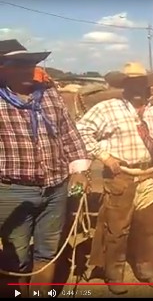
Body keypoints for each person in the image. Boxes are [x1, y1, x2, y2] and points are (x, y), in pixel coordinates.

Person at [0, 39, 91, 297]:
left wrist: (80, 170)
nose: (27, 70)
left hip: (55, 189)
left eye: (30, 64)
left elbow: (69, 134)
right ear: (3, 68)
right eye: (18, 65)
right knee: (13, 255)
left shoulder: (49, 95)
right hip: (12, 190)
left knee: (47, 252)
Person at [76, 62, 153, 295]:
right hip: (121, 175)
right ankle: (114, 274)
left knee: (150, 227)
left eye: (142, 83)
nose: (138, 88)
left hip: (149, 175)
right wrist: (104, 156)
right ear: (124, 86)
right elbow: (80, 130)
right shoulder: (108, 108)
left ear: (148, 86)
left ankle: (148, 269)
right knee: (117, 229)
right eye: (132, 83)